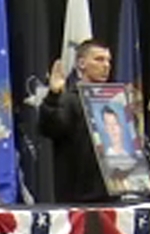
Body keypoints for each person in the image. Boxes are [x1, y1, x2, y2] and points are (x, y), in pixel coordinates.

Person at [37, 40, 113, 203]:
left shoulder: (114, 103)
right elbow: (49, 128)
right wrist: (53, 96)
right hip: (76, 199)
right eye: (99, 59)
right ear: (81, 63)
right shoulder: (68, 99)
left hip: (112, 195)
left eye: (108, 60)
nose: (106, 65)